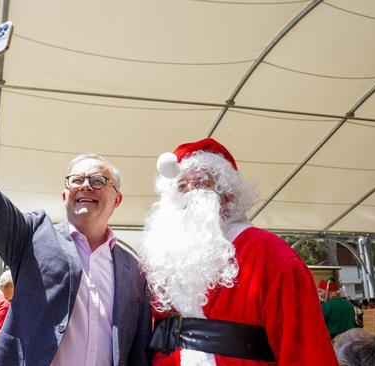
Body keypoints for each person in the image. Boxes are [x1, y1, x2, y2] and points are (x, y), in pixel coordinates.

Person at [0, 30, 151, 366]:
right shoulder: (33, 237)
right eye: (77, 179)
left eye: (98, 180)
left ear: (117, 200)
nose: (86, 185)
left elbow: (137, 354)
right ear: (65, 194)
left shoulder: (134, 271)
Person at [138, 138, 337, 365]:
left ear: (228, 196)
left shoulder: (270, 254)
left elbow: (304, 349)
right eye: (182, 186)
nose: (190, 193)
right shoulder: (163, 257)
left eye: (201, 183)